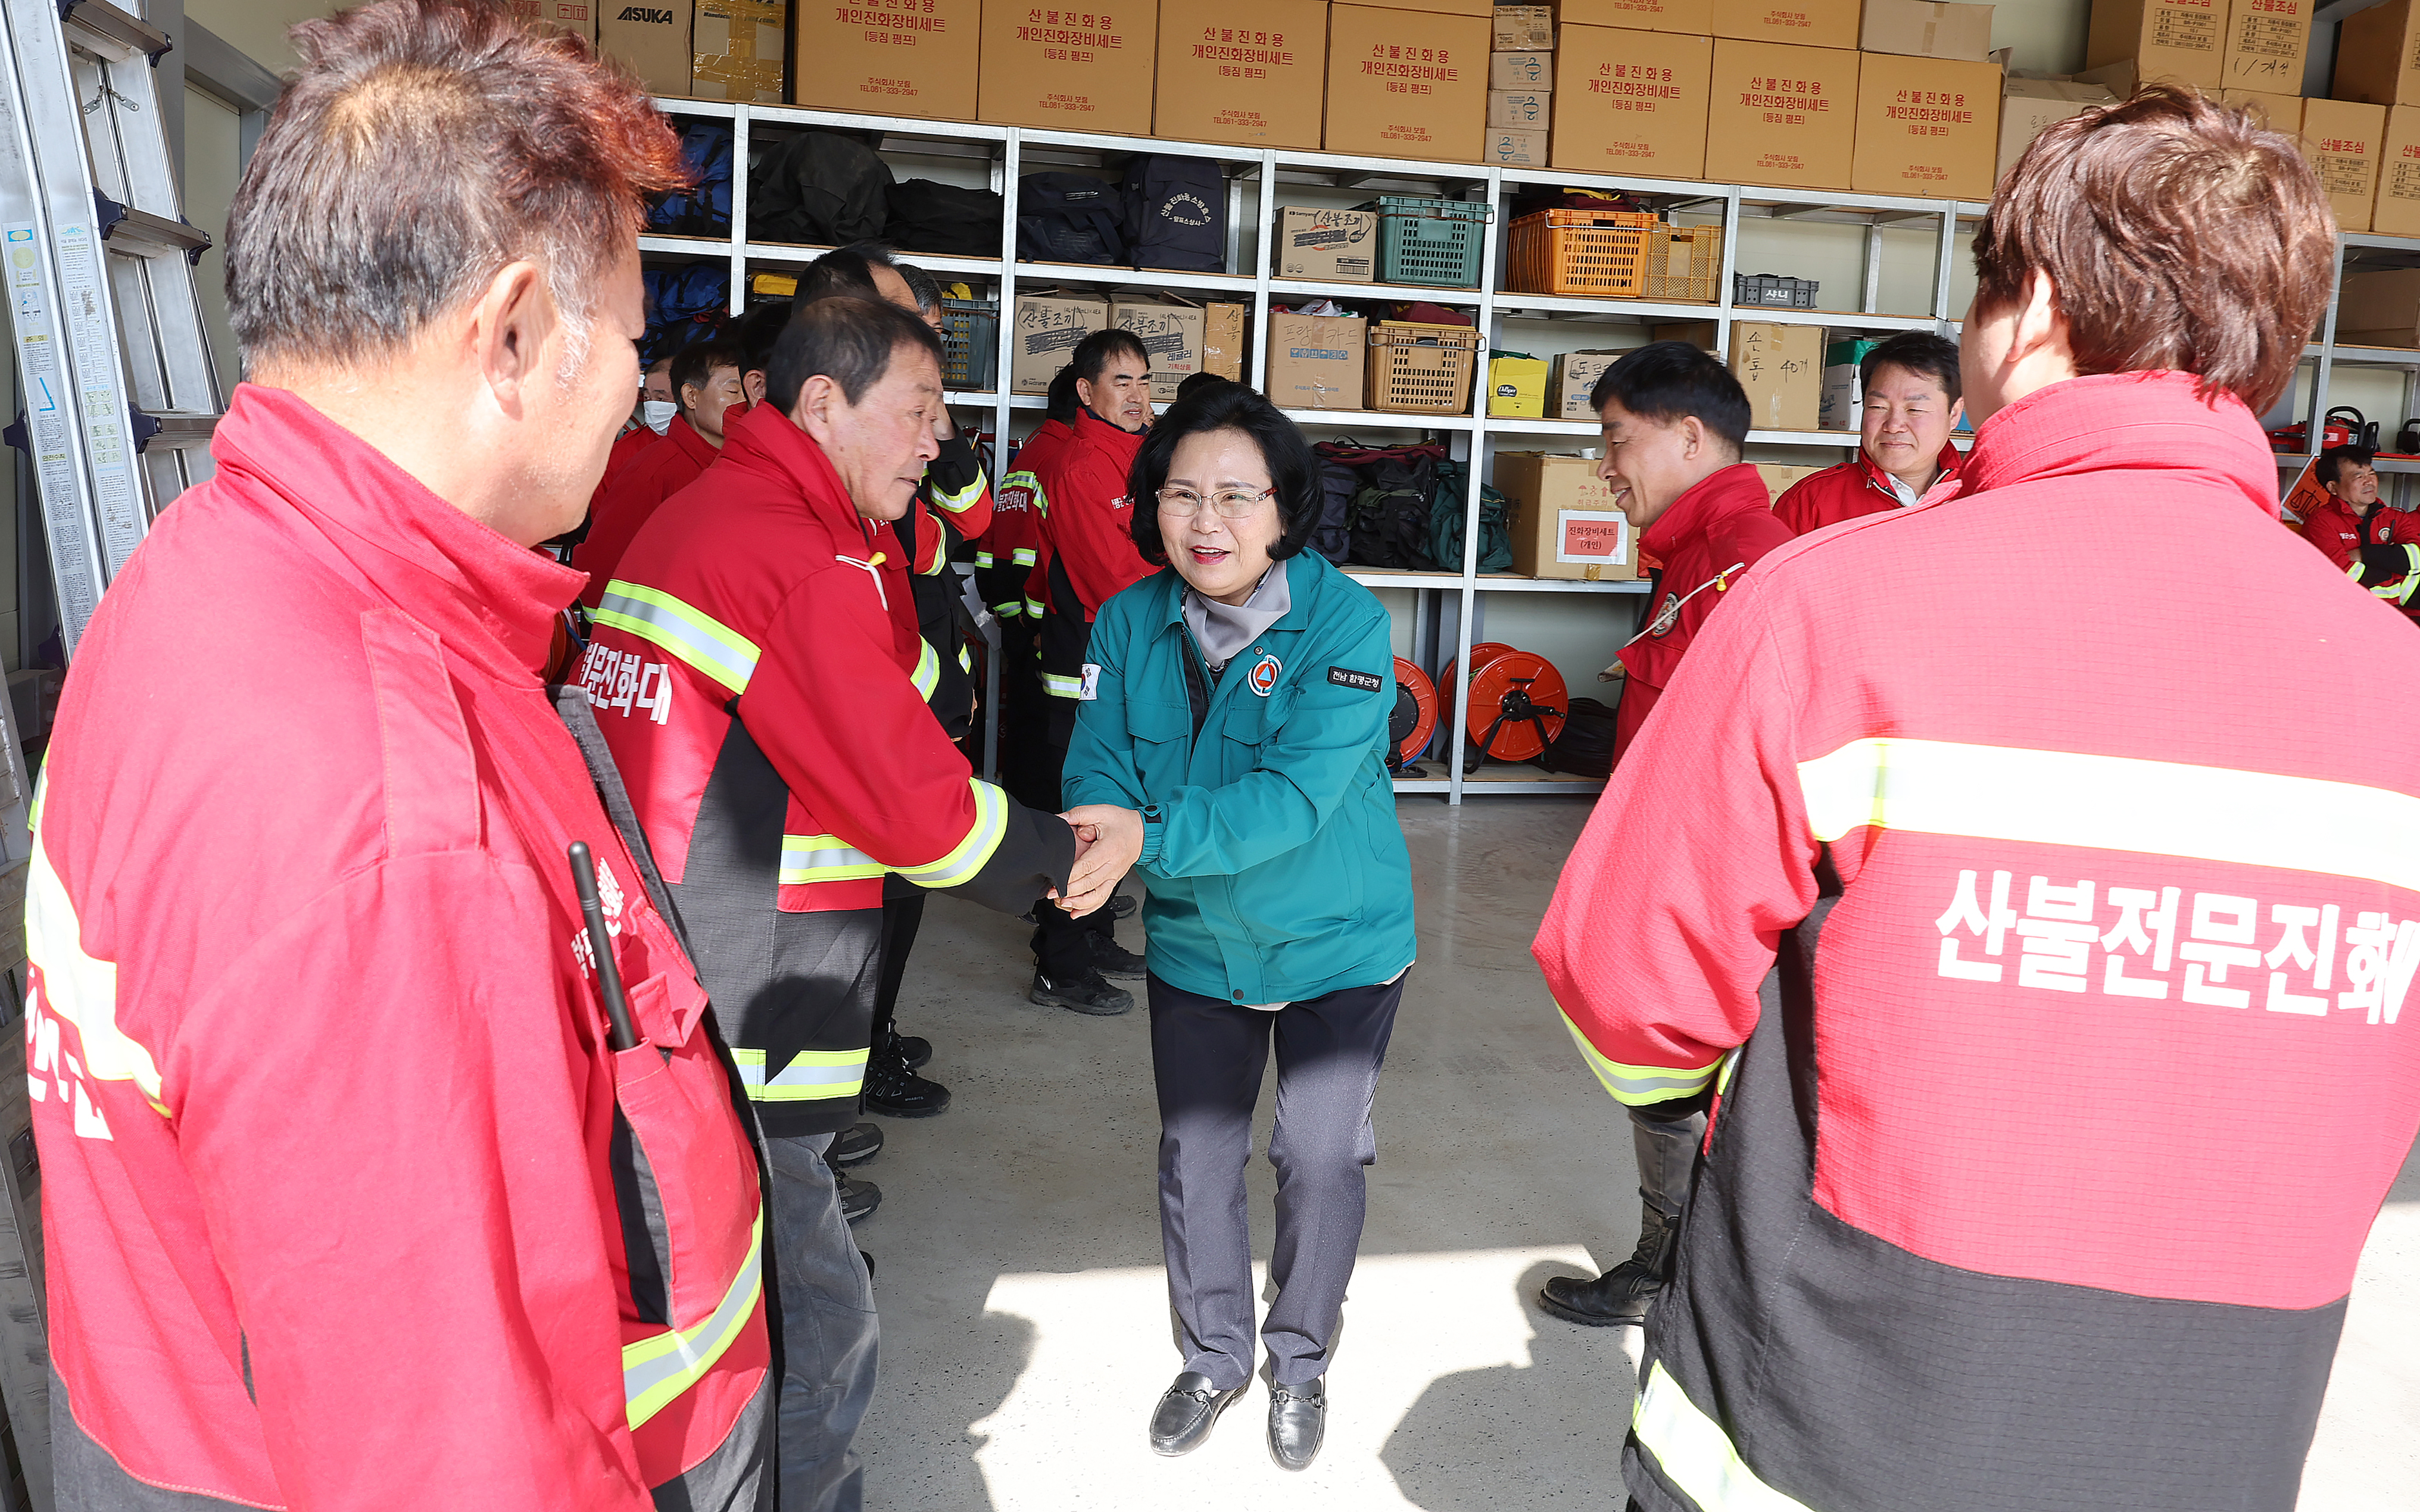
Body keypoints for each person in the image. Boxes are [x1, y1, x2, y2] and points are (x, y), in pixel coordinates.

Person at [1536, 89, 2420, 1512]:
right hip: (2218, 1431)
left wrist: (1709, 1113)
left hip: (1825, 1412)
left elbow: (1623, 975)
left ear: (2034, 313)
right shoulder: (2399, 676)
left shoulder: (1832, 606)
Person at [26, 4, 772, 1507]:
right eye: (628, 339)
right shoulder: (391, 817)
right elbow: (449, 1453)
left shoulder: (211, 567)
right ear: (509, 335)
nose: (634, 383)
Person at [579, 295, 1087, 1512]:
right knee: (812, 1318)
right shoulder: (797, 557)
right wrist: (1060, 859)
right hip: (746, 994)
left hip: (669, 963)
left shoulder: (728, 518)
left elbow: (870, 686)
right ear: (822, 403)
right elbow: (916, 807)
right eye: (918, 414)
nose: (936, 445)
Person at [1057, 382, 1417, 1472]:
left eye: (1234, 498)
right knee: (1196, 1156)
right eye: (1179, 496)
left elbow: (1294, 800)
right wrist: (1093, 834)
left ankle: (1298, 1361)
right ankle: (1215, 1356)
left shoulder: (1344, 622)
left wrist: (1139, 837)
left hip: (1337, 942)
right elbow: (1097, 762)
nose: (1204, 524)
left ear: (1284, 510)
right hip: (1197, 945)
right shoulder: (1124, 620)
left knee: (1318, 1156)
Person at [1540, 341, 1794, 1335]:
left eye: (1615, 437)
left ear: (1688, 437)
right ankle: (1671, 1268)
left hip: (1705, 891)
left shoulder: (1739, 563)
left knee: (1683, 1083)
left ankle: (1674, 1277)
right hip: (1677, 878)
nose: (1604, 464)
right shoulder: (1699, 555)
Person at [1029, 328, 1158, 1016]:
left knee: (1117, 803)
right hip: (1086, 657)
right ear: (1086, 392)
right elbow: (1111, 576)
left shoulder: (1136, 453)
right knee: (1081, 810)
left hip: (1123, 655)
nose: (1138, 396)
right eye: (1122, 383)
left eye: (1143, 381)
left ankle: (1097, 933)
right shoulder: (1081, 465)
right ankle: (1060, 967)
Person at [572, 335, 745, 607]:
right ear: (691, 396)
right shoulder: (653, 472)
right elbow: (603, 574)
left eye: (752, 391)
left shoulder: (744, 467)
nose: (745, 403)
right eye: (734, 392)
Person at [984, 366, 1080, 809]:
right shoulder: (1063, 462)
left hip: (1016, 621)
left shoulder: (1031, 454)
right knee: (1048, 764)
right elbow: (1051, 555)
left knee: (1025, 754)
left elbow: (992, 545)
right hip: (1041, 626)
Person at [1772, 330, 1967, 534]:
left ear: (1954, 414)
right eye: (1878, 407)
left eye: (1914, 410)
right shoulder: (1810, 501)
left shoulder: (1980, 498)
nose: (1893, 426)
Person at [2300, 443, 2420, 617]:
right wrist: (2394, 571)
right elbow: (2340, 575)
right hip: (2340, 614)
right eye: (2359, 476)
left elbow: (2416, 556)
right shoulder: (2321, 523)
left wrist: (2363, 554)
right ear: (2333, 487)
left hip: (2393, 616)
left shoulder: (2395, 518)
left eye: (2372, 474)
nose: (2369, 481)